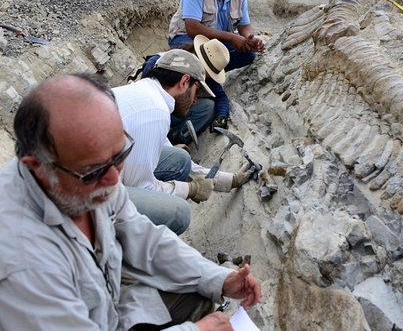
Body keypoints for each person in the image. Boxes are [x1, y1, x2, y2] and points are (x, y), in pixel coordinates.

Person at [0, 72, 261, 330]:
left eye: (119, 154)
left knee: (199, 286)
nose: (115, 179)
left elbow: (144, 237)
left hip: (110, 312)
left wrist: (220, 278)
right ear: (38, 168)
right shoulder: (22, 262)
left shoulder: (87, 179)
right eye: (95, 170)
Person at [114, 49, 251, 233]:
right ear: (184, 82)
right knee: (179, 213)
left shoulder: (145, 92)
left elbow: (181, 161)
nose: (195, 100)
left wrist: (227, 181)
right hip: (81, 198)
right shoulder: (155, 112)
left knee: (180, 159)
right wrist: (190, 189)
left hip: (88, 173)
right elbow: (142, 187)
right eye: (196, 91)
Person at [142, 35, 232, 145]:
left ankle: (175, 139)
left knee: (208, 106)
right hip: (149, 112)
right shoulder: (160, 62)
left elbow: (220, 96)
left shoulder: (203, 74)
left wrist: (222, 116)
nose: (195, 100)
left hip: (172, 110)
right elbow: (145, 98)